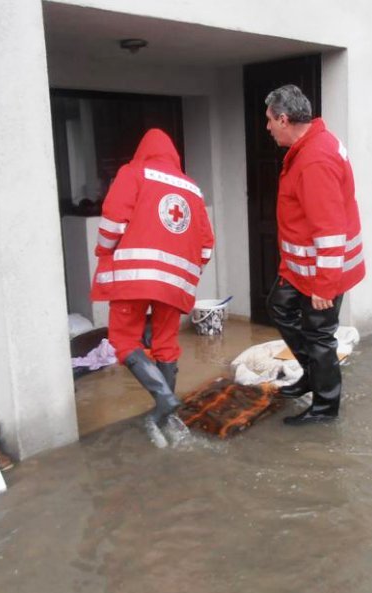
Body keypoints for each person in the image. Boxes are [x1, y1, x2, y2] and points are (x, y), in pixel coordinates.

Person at [90, 128, 215, 436]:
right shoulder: (192, 189)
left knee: (123, 341)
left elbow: (112, 221)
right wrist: (185, 268)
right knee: (165, 344)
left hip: (134, 277)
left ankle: (163, 398)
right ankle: (165, 413)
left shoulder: (133, 172)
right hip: (174, 283)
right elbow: (207, 246)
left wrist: (104, 252)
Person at [263, 84, 365, 425]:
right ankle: (312, 374)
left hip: (323, 271)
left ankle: (325, 407)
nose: (267, 128)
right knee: (280, 305)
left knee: (319, 336)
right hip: (301, 268)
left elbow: (330, 228)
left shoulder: (314, 159)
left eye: (269, 121)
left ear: (284, 118)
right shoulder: (312, 145)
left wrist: (325, 286)